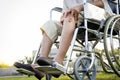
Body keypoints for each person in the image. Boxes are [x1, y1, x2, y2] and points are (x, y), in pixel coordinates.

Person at [14, 0, 114, 80]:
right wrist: (63, 17)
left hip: (98, 19)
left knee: (70, 17)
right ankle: (40, 67)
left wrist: (80, 7)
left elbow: (102, 3)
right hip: (75, 21)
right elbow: (65, 13)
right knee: (50, 24)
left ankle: (58, 61)